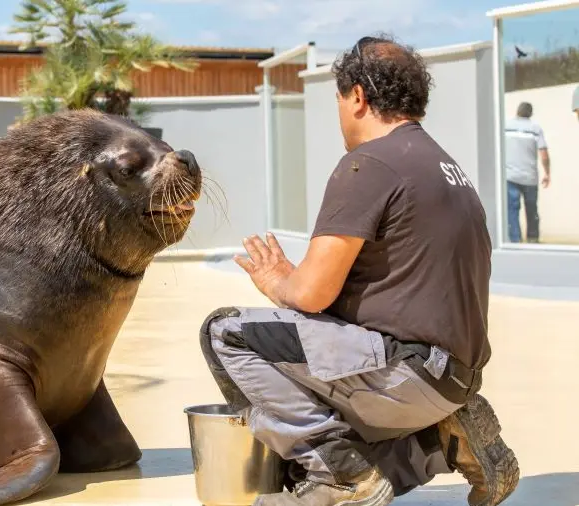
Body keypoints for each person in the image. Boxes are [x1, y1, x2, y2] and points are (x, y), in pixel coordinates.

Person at [198, 35, 519, 506]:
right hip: (456, 378)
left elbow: (310, 295)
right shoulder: (446, 168)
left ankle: (340, 478)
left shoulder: (368, 164)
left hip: (405, 374)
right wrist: (298, 284)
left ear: (357, 97)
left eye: (339, 100)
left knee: (226, 332)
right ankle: (443, 439)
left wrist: (279, 281)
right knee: (307, 354)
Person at [504, 102, 549, 243]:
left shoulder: (506, 125)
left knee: (512, 209)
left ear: (517, 111)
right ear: (530, 113)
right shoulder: (535, 128)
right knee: (531, 210)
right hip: (530, 178)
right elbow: (544, 155)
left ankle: (515, 241)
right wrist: (547, 173)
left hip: (510, 176)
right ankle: (533, 240)